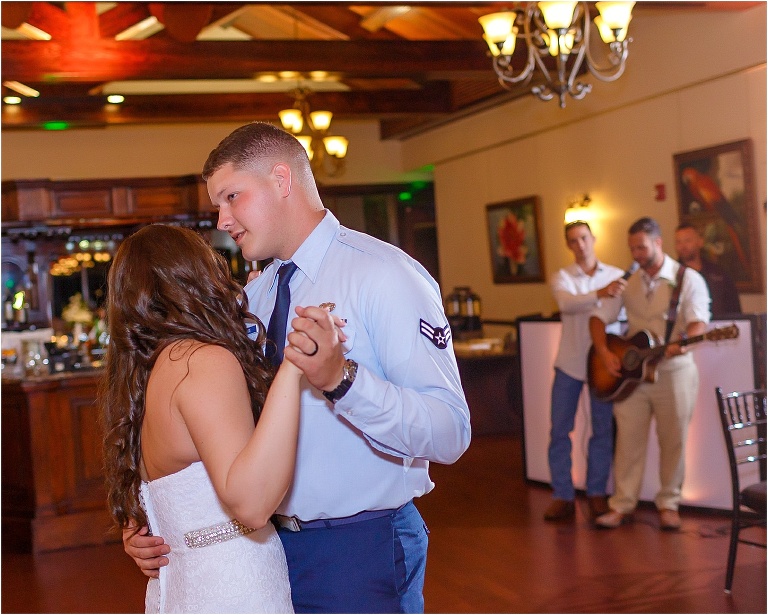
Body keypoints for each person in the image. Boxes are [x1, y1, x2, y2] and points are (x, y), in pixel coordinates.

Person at [124, 121, 472, 613]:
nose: (222, 220)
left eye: (231, 197)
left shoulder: (383, 275)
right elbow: (215, 428)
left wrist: (342, 381)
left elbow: (450, 433)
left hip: (359, 547)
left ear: (281, 180)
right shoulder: (253, 297)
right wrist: (156, 522)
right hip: (264, 550)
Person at [101, 224, 311, 613]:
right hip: (233, 585)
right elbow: (252, 503)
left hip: (180, 589)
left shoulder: (144, 373)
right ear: (197, 277)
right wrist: (293, 369)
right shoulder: (202, 362)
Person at [589, 217, 710, 531]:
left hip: (675, 372)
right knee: (627, 441)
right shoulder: (627, 282)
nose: (636, 254)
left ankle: (669, 504)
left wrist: (681, 344)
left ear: (658, 243)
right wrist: (604, 353)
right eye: (632, 249)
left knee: (674, 441)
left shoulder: (689, 279)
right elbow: (598, 318)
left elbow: (698, 324)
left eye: (641, 247)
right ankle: (621, 504)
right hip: (632, 376)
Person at [544, 221, 627, 522]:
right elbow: (566, 304)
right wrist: (600, 293)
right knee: (559, 431)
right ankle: (562, 496)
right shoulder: (562, 277)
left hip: (601, 366)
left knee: (602, 431)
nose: (579, 245)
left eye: (583, 238)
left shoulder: (617, 275)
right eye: (573, 241)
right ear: (568, 245)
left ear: (593, 238)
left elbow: (619, 314)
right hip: (568, 363)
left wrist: (603, 293)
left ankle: (596, 493)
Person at [674, 223, 742, 318]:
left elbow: (734, 309)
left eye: (687, 241)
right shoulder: (671, 275)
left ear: (700, 242)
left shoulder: (719, 273)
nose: (683, 246)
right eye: (678, 242)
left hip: (718, 329)